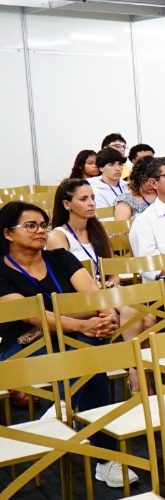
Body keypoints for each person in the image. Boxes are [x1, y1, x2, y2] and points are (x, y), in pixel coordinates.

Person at [0, 201, 136, 487]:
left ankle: (65, 403)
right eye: (31, 225)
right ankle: (104, 456)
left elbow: (95, 298)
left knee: (88, 352)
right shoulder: (1, 272)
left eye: (43, 225)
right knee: (91, 357)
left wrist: (105, 316)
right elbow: (33, 316)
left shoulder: (61, 258)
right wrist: (84, 321)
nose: (40, 231)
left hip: (78, 339)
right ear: (8, 234)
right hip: (24, 347)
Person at [47, 178, 155, 391]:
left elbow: (113, 272)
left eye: (93, 198)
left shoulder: (98, 230)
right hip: (79, 300)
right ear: (67, 204)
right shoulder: (58, 237)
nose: (91, 203)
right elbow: (62, 280)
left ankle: (137, 374)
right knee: (131, 314)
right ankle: (137, 377)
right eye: (84, 199)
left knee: (149, 318)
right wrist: (100, 290)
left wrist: (110, 284)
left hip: (105, 293)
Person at [114, 157, 157, 221]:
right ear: (138, 179)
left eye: (155, 179)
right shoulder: (127, 200)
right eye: (145, 179)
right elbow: (121, 229)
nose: (150, 184)